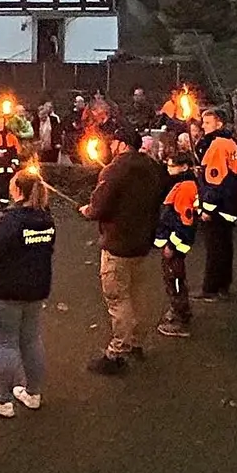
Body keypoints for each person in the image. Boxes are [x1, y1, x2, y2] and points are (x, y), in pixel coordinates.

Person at [79, 128, 167, 375]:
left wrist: (89, 210)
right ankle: (137, 342)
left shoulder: (115, 170)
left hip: (118, 244)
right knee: (137, 293)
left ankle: (117, 351)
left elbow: (99, 207)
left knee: (117, 297)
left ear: (120, 144)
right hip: (142, 242)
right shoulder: (152, 167)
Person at [0, 168, 56, 417]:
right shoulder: (46, 219)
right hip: (35, 289)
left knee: (5, 343)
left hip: (4, 291)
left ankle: (4, 400)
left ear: (18, 190)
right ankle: (33, 393)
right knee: (31, 340)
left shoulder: (7, 220)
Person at [192, 108, 237, 302]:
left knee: (214, 247)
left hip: (217, 207)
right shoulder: (231, 143)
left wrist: (206, 208)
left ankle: (211, 288)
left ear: (219, 124)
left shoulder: (217, 146)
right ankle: (224, 284)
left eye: (207, 123)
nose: (203, 126)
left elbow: (214, 180)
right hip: (229, 204)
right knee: (225, 245)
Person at [155, 152, 200, 339]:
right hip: (175, 241)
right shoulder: (181, 184)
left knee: (174, 279)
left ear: (184, 167)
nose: (168, 169)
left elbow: (185, 221)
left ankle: (180, 317)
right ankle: (180, 310)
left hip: (176, 244)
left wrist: (171, 245)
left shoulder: (185, 188)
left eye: (172, 166)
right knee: (174, 277)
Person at [34, 99, 62, 164]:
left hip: (51, 147)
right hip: (40, 149)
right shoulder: (35, 122)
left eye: (45, 114)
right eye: (42, 114)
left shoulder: (53, 120)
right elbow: (34, 134)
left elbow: (57, 132)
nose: (44, 116)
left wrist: (57, 143)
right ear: (38, 114)